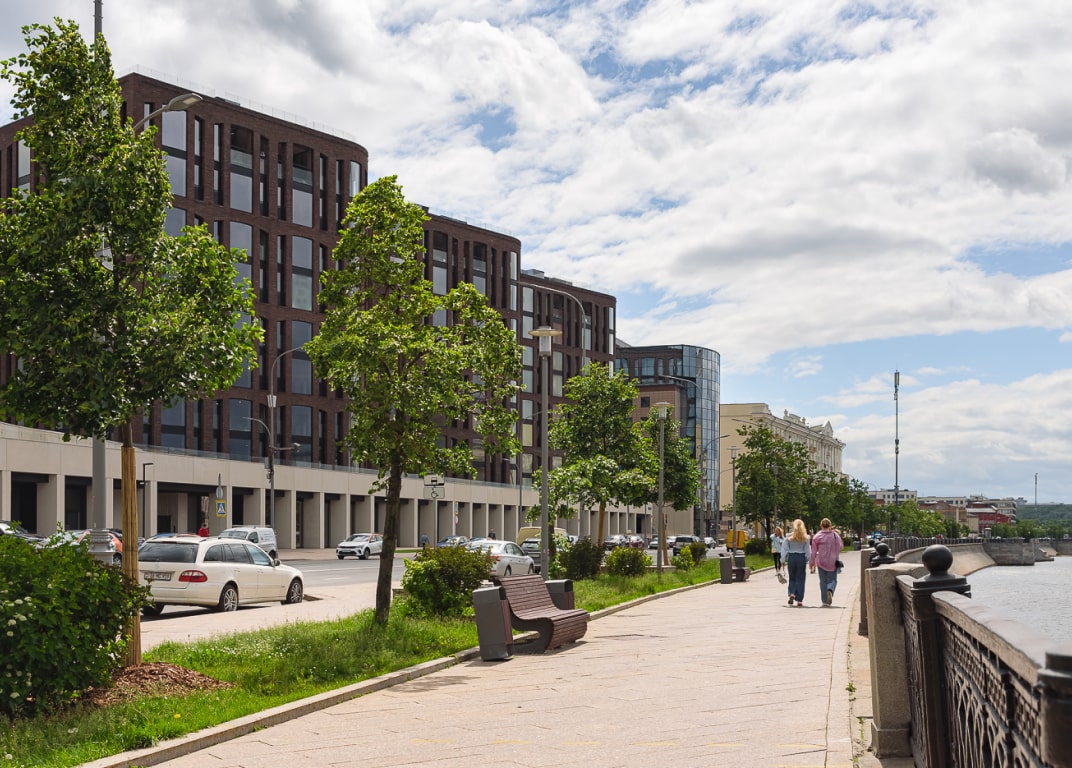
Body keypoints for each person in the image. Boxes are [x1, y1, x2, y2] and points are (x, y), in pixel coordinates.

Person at [810, 517, 844, 607]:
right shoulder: (835, 535)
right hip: (832, 561)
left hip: (821, 561)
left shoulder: (817, 536)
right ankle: (830, 590)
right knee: (833, 579)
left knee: (823, 581)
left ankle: (824, 601)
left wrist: (812, 561)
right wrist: (835, 553)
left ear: (821, 525)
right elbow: (840, 546)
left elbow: (813, 551)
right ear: (830, 525)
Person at [781, 519, 811, 606]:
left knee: (792, 577)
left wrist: (782, 560)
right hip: (801, 558)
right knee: (801, 579)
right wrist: (810, 559)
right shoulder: (806, 537)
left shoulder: (788, 537)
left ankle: (792, 593)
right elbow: (807, 550)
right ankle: (799, 600)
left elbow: (784, 549)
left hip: (791, 557)